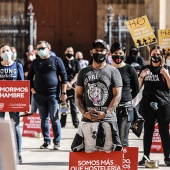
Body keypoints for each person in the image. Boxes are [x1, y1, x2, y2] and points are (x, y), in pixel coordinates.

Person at [71, 39, 123, 152]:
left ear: (107, 53)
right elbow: (78, 95)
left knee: (107, 158)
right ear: (91, 52)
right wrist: (84, 113)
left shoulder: (113, 71)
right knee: (89, 158)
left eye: (102, 50)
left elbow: (117, 96)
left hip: (108, 121)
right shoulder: (83, 72)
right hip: (88, 121)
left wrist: (105, 113)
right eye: (96, 50)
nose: (99, 53)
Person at [27, 40, 68, 150]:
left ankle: (57, 142)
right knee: (43, 119)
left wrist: (63, 93)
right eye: (39, 48)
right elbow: (29, 77)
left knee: (54, 118)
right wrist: (32, 89)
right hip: (39, 95)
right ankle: (46, 141)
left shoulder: (56, 60)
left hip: (53, 95)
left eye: (42, 48)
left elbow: (64, 77)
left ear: (48, 48)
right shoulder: (35, 62)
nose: (41, 50)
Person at [138, 46, 170, 166]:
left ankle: (167, 157)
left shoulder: (167, 69)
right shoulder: (145, 68)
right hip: (148, 105)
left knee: (164, 132)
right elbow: (138, 87)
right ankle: (145, 156)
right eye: (153, 54)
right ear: (150, 55)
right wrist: (141, 76)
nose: (155, 56)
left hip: (164, 104)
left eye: (158, 54)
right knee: (148, 131)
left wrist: (166, 74)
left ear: (161, 56)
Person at [110, 42, 139, 146]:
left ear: (124, 53)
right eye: (115, 53)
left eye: (120, 53)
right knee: (110, 138)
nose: (118, 55)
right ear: (110, 54)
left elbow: (136, 89)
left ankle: (123, 161)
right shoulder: (107, 69)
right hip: (110, 108)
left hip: (126, 108)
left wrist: (127, 99)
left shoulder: (130, 69)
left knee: (123, 139)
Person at [0, 44, 24, 164]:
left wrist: (25, 104)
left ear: (11, 52)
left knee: (16, 127)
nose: (6, 52)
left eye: (7, 50)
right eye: (3, 51)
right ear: (0, 55)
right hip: (0, 102)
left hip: (14, 102)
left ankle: (18, 154)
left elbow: (23, 85)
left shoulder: (18, 65)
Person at [60, 47, 80, 128]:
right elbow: (59, 74)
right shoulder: (62, 62)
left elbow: (78, 73)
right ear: (65, 52)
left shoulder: (76, 62)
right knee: (64, 105)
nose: (69, 52)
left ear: (73, 52)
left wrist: (71, 83)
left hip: (73, 87)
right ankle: (62, 123)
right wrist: (65, 83)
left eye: (71, 51)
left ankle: (75, 123)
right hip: (64, 86)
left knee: (73, 106)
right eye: (68, 51)